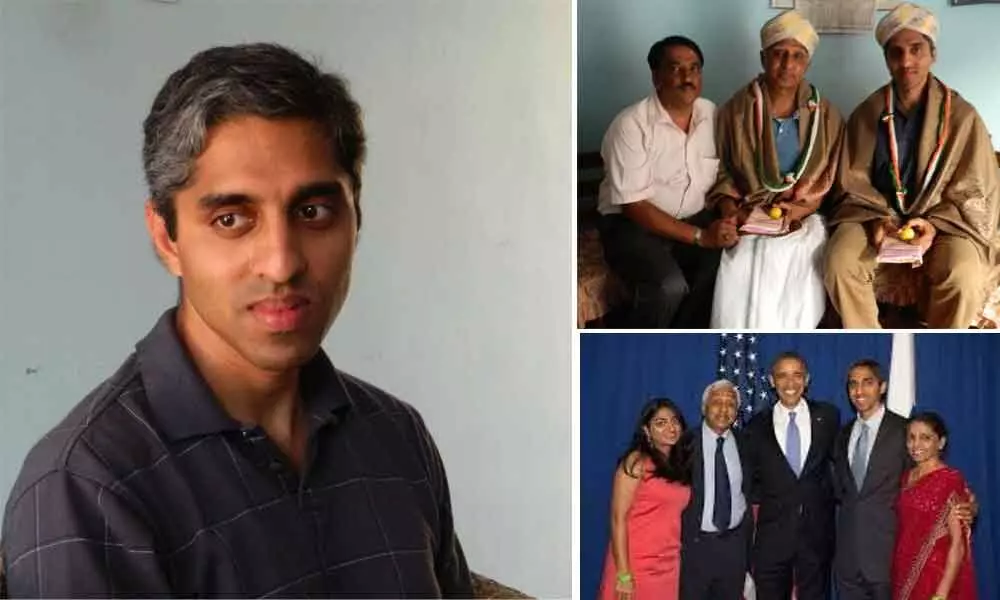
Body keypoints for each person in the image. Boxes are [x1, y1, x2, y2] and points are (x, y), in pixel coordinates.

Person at [0, 43, 472, 597]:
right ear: (166, 237)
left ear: (356, 215)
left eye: (312, 212)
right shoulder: (89, 488)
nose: (282, 262)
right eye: (231, 219)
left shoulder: (397, 436)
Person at [825, 3, 1000, 328]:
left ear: (932, 54)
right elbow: (851, 184)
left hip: (946, 222)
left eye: (916, 50)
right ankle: (868, 337)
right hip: (875, 218)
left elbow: (976, 190)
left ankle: (937, 340)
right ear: (887, 59)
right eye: (896, 52)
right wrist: (878, 220)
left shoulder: (962, 117)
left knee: (962, 272)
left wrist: (932, 225)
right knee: (840, 260)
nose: (906, 62)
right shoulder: (867, 114)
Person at [708, 10, 844, 329]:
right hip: (747, 213)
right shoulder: (735, 110)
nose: (787, 65)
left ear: (807, 62)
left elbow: (829, 178)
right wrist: (731, 212)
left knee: (797, 256)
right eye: (778, 54)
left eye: (797, 56)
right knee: (741, 261)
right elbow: (722, 170)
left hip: (803, 215)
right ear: (762, 57)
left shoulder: (825, 115)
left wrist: (795, 211)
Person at [597, 35, 736, 328]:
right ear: (656, 76)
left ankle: (684, 336)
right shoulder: (630, 125)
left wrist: (727, 212)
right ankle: (638, 344)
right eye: (676, 69)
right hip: (633, 226)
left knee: (724, 268)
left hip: (694, 218)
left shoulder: (712, 114)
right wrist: (700, 237)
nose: (687, 78)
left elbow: (723, 175)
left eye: (694, 68)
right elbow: (634, 206)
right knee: (668, 286)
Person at [742, 351, 841, 600]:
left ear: (807, 379)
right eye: (782, 376)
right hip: (772, 540)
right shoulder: (755, 426)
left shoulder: (828, 417)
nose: (790, 383)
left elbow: (838, 466)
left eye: (797, 375)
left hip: (817, 537)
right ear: (771, 381)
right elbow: (749, 482)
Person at [597, 398, 692, 600]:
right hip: (635, 563)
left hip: (669, 564)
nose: (671, 427)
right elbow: (617, 519)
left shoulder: (681, 467)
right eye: (660, 423)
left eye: (674, 421)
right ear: (647, 431)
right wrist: (623, 574)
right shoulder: (636, 462)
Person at [832, 359, 911, 600]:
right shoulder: (842, 434)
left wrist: (965, 503)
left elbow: (927, 478)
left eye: (867, 383)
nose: (859, 390)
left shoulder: (904, 430)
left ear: (882, 387)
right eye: (853, 384)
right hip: (847, 561)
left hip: (887, 557)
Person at [679, 380, 752, 600]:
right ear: (704, 408)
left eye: (730, 403)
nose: (723, 409)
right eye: (716, 402)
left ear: (737, 412)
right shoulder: (684, 445)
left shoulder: (746, 443)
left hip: (734, 547)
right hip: (696, 548)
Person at [892, 412, 978, 600]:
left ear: (940, 442)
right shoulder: (908, 477)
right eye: (911, 438)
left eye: (925, 438)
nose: (916, 445)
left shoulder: (950, 480)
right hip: (904, 570)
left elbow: (958, 544)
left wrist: (941, 594)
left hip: (935, 575)